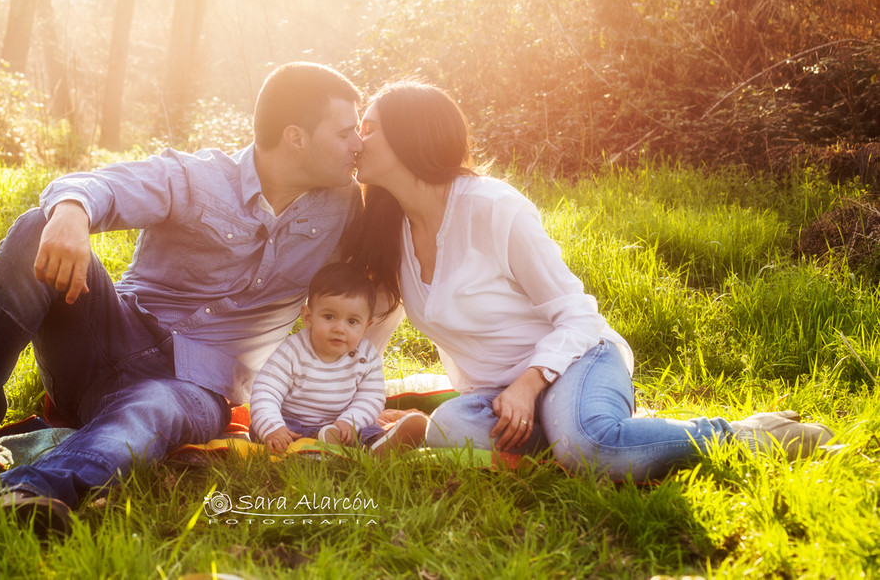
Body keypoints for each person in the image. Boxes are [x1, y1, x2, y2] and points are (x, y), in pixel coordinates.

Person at [0, 62, 369, 534]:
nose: (358, 145)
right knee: (40, 224)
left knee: (152, 408)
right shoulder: (196, 177)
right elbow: (100, 184)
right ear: (296, 137)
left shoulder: (345, 208)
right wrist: (72, 212)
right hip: (107, 337)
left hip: (194, 388)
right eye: (346, 134)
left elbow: (385, 271)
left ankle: (24, 496)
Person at [346, 81, 834, 481]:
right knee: (449, 428)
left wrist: (530, 382)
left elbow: (578, 315)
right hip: (495, 397)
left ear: (410, 136)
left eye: (367, 128)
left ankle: (747, 435)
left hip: (575, 361)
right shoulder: (388, 226)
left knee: (592, 448)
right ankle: (595, 434)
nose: (355, 141)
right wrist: (323, 405)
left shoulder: (493, 208)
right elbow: (366, 335)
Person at [250, 261, 429, 454]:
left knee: (367, 428)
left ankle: (380, 444)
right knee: (266, 431)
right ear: (308, 317)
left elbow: (371, 398)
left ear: (366, 327)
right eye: (329, 317)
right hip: (292, 426)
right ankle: (315, 444)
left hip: (342, 426)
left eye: (352, 321)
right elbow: (266, 391)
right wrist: (272, 427)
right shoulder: (292, 351)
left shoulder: (366, 356)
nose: (339, 328)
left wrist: (350, 422)